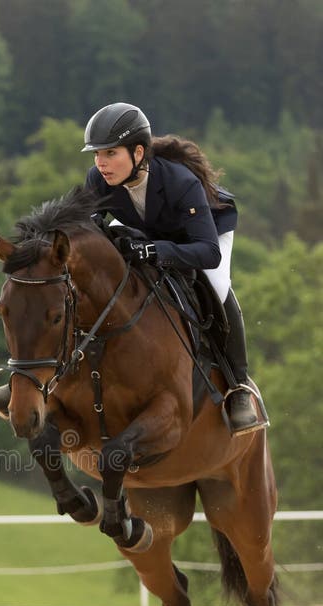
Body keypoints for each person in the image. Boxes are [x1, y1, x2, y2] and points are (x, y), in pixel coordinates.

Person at [81, 101, 259, 433]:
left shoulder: (181, 182)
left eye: (110, 153)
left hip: (206, 235)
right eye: (96, 155)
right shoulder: (99, 178)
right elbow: (84, 223)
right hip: (152, 226)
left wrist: (153, 250)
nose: (101, 163)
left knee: (216, 289)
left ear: (137, 153)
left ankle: (238, 387)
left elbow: (207, 253)